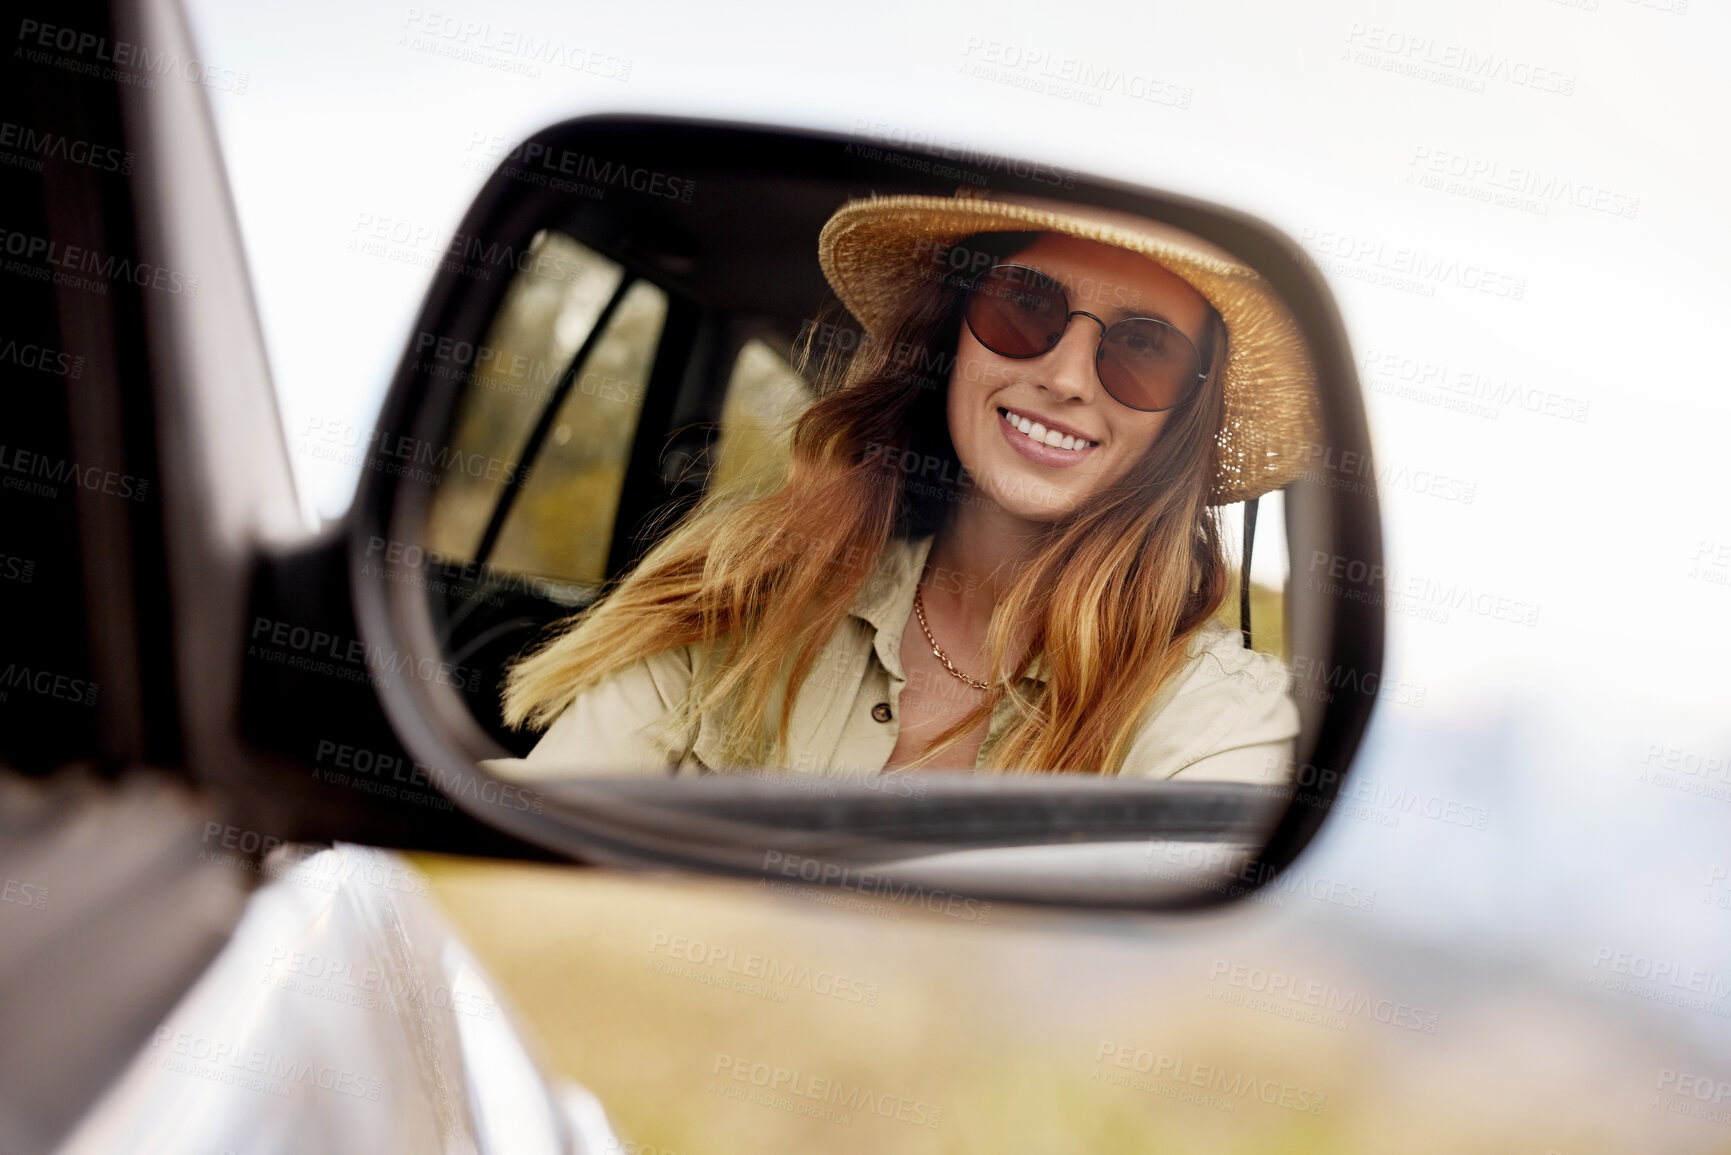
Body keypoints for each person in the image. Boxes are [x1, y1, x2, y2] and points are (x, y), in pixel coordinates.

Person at [487, 190, 1319, 782]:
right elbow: (549, 829)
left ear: (1182, 415)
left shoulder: (1218, 718)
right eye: (1024, 306)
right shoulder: (746, 591)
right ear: (952, 334)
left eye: (1143, 348)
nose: (1066, 376)